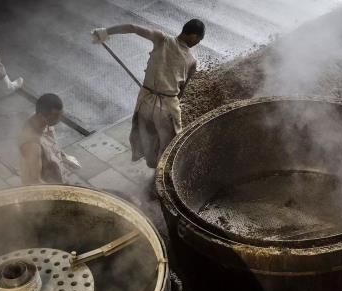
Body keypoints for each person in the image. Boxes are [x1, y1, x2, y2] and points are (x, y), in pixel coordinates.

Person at [90, 19, 204, 169]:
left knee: (147, 134)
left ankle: (153, 163)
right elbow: (182, 90)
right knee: (171, 143)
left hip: (146, 101)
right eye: (198, 40)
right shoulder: (191, 60)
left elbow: (132, 27)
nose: (197, 43)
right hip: (168, 107)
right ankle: (163, 170)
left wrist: (105, 32)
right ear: (194, 36)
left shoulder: (161, 39)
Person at [18, 93, 80, 185]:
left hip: (58, 179)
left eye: (61, 114)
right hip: (50, 189)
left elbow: (51, 146)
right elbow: (34, 182)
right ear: (41, 116)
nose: (59, 119)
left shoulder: (44, 121)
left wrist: (64, 156)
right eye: (56, 116)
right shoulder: (32, 145)